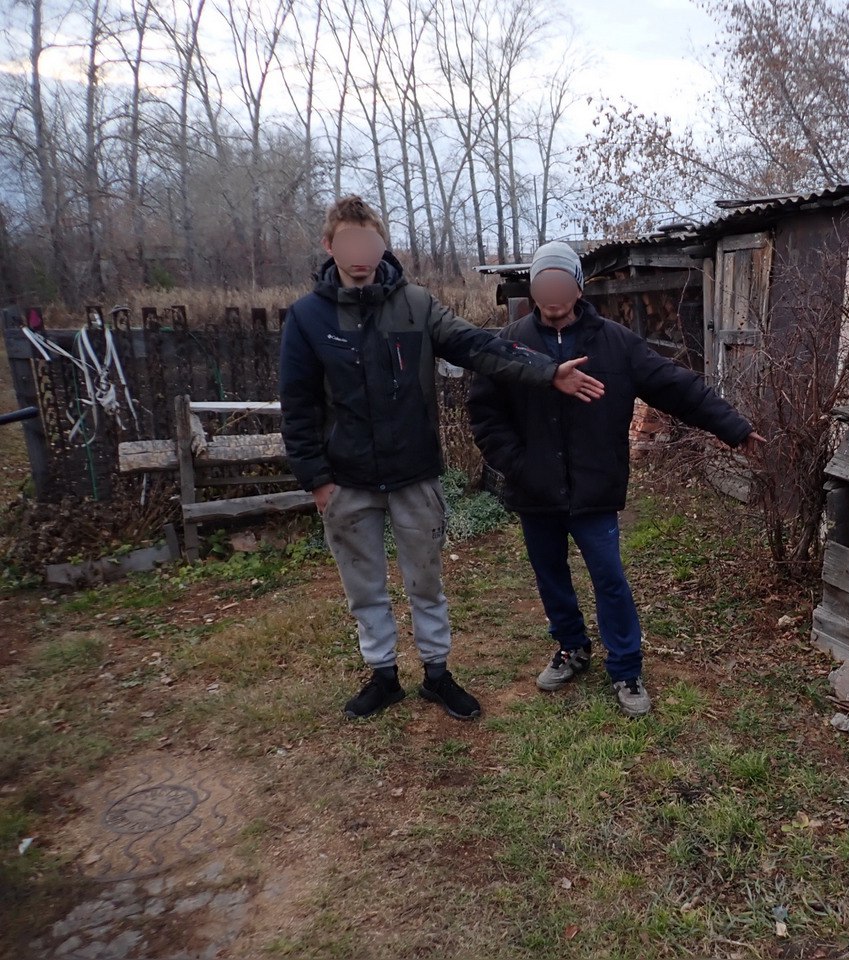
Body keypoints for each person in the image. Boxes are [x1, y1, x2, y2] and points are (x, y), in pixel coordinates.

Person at [279, 198, 604, 721]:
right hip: (346, 480)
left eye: (369, 241)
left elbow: (479, 347)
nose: (360, 253)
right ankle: (382, 676)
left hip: (414, 475)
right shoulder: (307, 317)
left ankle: (436, 674)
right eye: (348, 242)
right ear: (329, 246)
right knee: (364, 588)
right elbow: (296, 406)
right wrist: (316, 479)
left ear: (382, 244)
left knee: (425, 583)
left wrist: (549, 371)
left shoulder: (415, 304)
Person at [467, 241, 764, 717]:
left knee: (609, 580)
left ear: (578, 286)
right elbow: (484, 412)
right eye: (544, 281)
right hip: (535, 487)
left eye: (562, 280)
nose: (553, 290)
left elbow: (675, 386)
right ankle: (571, 647)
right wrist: (517, 464)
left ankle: (626, 669)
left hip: (594, 487)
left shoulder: (615, 342)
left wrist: (733, 426)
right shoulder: (511, 342)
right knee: (550, 576)